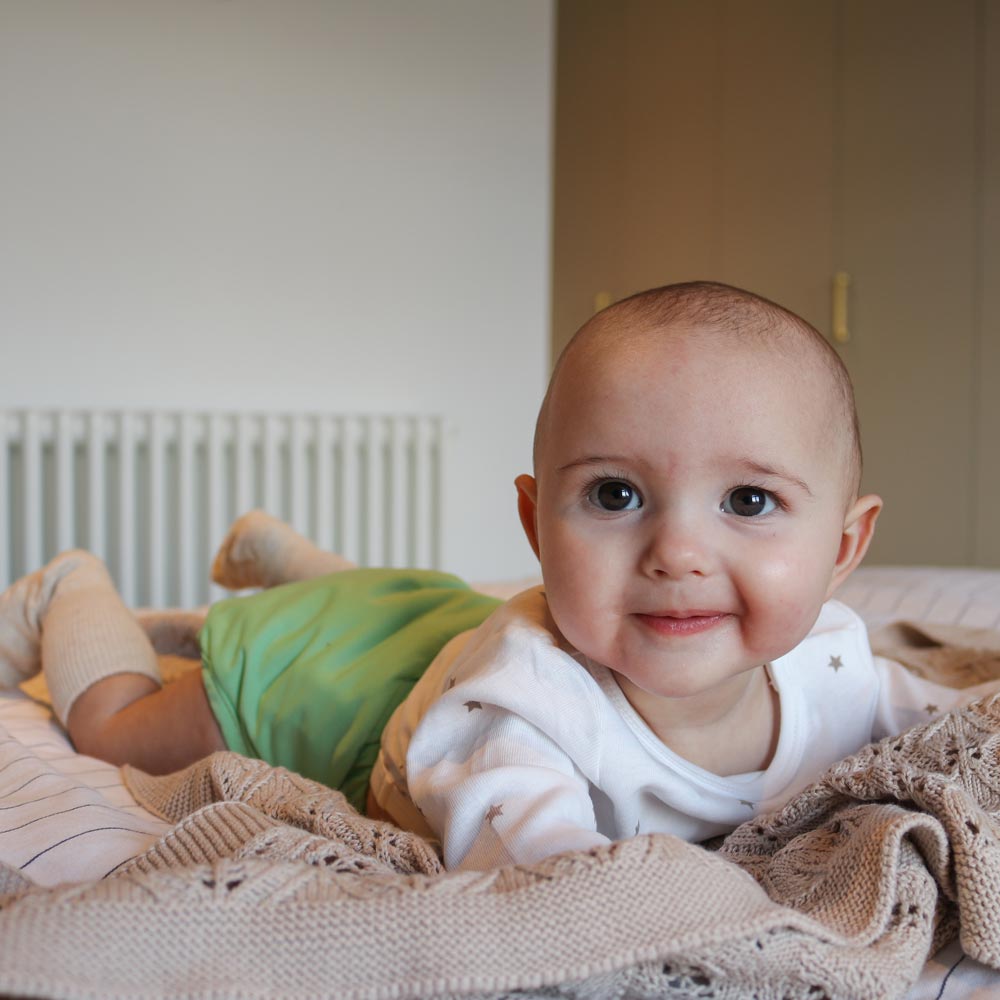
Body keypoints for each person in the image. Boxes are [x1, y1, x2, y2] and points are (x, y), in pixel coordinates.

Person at [0, 281, 992, 872]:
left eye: (747, 502)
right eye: (613, 496)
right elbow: (549, 877)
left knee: (440, 615)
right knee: (118, 724)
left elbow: (936, 715)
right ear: (534, 520)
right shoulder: (513, 712)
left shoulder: (831, 660)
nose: (677, 553)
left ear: (843, 550)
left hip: (448, 623)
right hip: (340, 683)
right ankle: (71, 586)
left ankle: (288, 559)